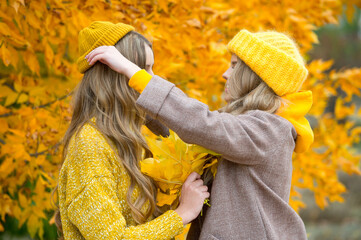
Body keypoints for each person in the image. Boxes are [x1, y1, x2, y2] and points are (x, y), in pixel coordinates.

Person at [85, 29, 314, 240]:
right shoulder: (244, 126)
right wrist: (126, 92)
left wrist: (134, 73)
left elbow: (201, 125)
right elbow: (185, 132)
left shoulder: (272, 130)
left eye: (234, 66)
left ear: (255, 76)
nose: (225, 74)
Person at [53, 21, 209, 240]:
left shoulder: (133, 136)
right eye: (143, 69)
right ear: (115, 76)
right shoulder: (90, 144)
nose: (153, 78)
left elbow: (195, 125)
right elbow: (111, 237)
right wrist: (181, 214)